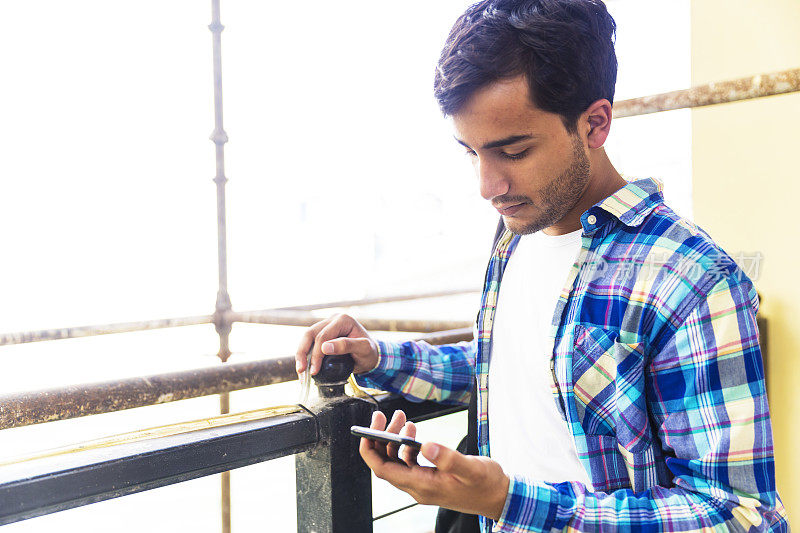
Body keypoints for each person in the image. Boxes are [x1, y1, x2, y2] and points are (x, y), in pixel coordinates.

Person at [295, 0, 789, 531]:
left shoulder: (691, 281)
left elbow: (744, 517)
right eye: (472, 152)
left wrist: (510, 500)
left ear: (595, 123)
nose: (488, 187)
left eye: (513, 151)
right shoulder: (516, 232)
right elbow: (521, 369)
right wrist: (381, 358)